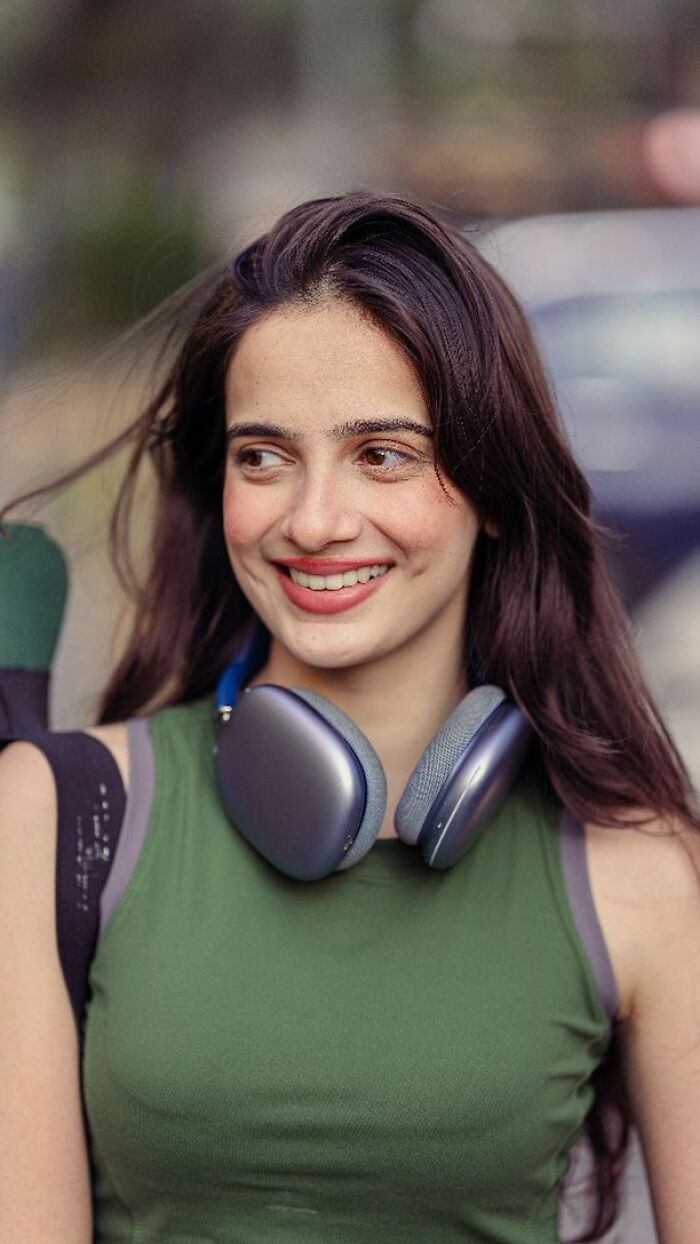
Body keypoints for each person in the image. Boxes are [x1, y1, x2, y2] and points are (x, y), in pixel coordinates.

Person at [0, 191, 698, 1244]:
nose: (313, 520)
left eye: (383, 453)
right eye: (263, 455)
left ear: (494, 488)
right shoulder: (56, 818)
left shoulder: (635, 866)